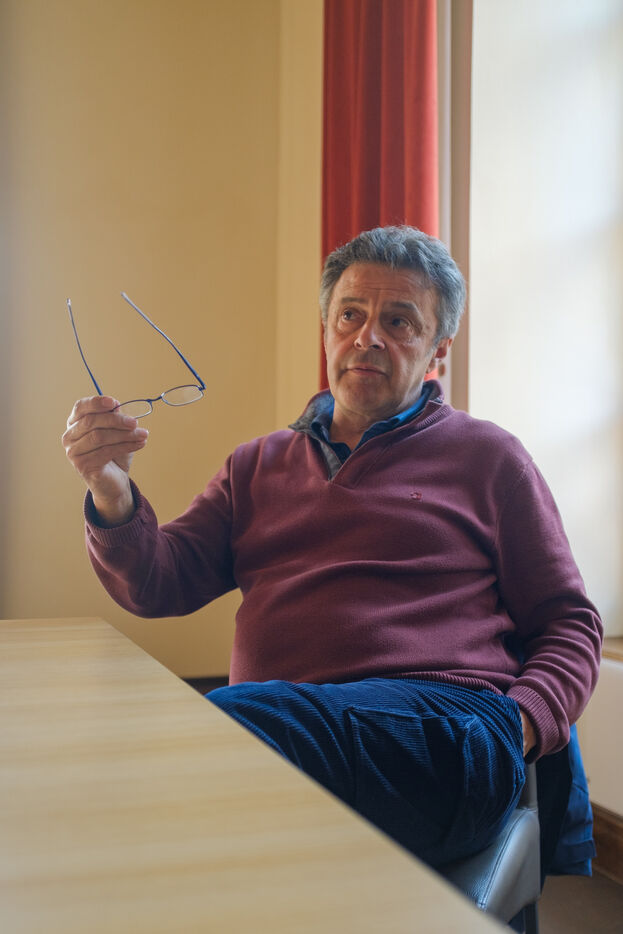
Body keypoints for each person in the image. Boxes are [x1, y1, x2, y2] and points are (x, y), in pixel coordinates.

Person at [62, 225, 602, 869]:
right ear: (326, 330)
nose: (367, 337)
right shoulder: (256, 465)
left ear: (438, 350)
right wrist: (110, 488)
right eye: (350, 315)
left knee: (216, 734)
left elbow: (569, 624)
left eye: (399, 321)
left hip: (444, 727)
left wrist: (523, 723)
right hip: (280, 741)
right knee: (214, 761)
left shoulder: (490, 458)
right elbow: (157, 583)